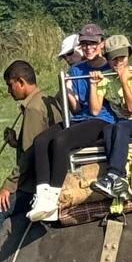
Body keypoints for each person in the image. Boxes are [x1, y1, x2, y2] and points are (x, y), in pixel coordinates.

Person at [0, 60, 62, 262]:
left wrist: (8, 185)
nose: (9, 90)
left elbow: (30, 155)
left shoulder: (33, 109)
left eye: (10, 85)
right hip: (47, 173)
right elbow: (37, 142)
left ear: (21, 82)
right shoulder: (46, 99)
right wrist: (15, 142)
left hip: (34, 181)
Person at [26, 23, 113, 222]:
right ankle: (42, 196)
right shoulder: (76, 69)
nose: (88, 47)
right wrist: (68, 90)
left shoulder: (109, 68)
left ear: (101, 44)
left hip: (101, 120)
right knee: (41, 141)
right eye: (84, 44)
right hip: (79, 118)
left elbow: (95, 110)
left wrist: (94, 85)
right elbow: (75, 108)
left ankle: (54, 198)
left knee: (61, 141)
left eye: (93, 43)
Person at [90, 34, 132, 199]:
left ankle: (113, 175)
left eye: (122, 58)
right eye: (114, 59)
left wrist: (125, 82)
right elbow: (95, 110)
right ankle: (120, 181)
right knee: (109, 129)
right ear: (108, 60)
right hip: (121, 122)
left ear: (128, 56)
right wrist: (93, 85)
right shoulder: (107, 78)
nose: (119, 63)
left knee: (120, 126)